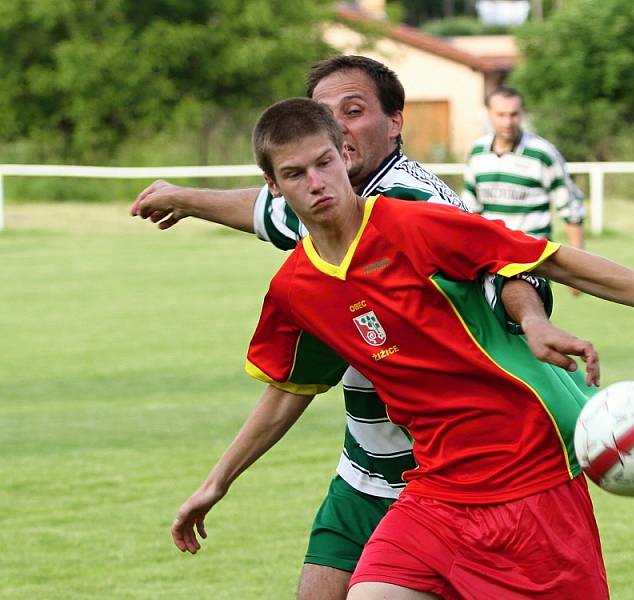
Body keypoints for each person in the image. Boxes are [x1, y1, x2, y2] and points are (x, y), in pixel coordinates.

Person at [221, 97, 634, 599]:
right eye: (295, 173)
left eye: (323, 163)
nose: (316, 183)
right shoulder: (295, 289)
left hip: (530, 472)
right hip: (435, 489)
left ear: (345, 154)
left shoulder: (415, 224)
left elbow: (544, 259)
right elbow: (287, 388)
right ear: (272, 184)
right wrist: (215, 483)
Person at [136, 56, 594, 600]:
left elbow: (506, 267)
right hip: (366, 465)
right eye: (323, 116)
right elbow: (275, 212)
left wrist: (534, 319)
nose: (335, 129)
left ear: (395, 121)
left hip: (448, 473)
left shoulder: (410, 204)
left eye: (352, 112)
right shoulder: (332, 199)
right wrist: (183, 198)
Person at [463, 86, 586, 295]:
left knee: (527, 322)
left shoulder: (542, 153)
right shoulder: (477, 153)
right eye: (501, 115)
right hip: (490, 260)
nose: (507, 122)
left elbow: (570, 207)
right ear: (488, 114)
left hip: (532, 260)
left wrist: (578, 271)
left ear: (522, 114)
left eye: (513, 115)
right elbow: (469, 211)